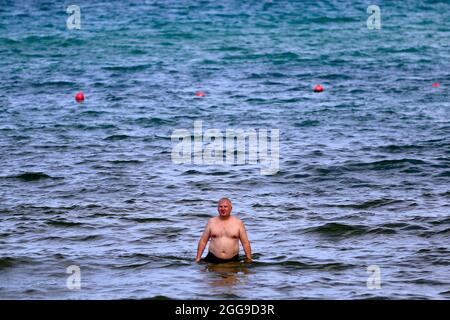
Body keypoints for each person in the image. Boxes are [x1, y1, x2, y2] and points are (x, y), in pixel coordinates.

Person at [195, 198, 252, 263]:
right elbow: (203, 241)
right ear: (217, 208)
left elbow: (245, 243)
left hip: (233, 259)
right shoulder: (211, 222)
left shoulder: (238, 223)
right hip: (212, 258)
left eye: (225, 206)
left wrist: (249, 259)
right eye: (220, 206)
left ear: (231, 208)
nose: (223, 209)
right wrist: (198, 258)